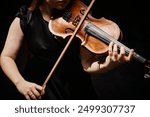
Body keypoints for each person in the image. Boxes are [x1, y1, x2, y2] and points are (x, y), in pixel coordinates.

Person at [0, 0, 133, 100]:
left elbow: (87, 65)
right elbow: (7, 56)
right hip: (40, 85)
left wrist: (110, 64)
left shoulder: (79, 11)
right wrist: (20, 82)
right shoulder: (26, 17)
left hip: (75, 86)